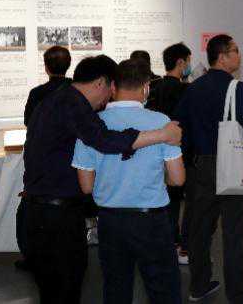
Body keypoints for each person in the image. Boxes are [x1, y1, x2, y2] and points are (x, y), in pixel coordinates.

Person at [23, 55, 182, 304]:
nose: (108, 98)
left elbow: (87, 184)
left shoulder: (58, 101)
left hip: (70, 215)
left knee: (107, 288)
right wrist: (162, 134)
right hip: (58, 218)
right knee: (162, 289)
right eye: (109, 89)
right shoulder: (74, 106)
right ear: (102, 83)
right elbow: (104, 140)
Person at [72, 59, 185, 304]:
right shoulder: (162, 122)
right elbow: (178, 179)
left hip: (110, 221)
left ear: (113, 87)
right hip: (152, 220)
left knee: (116, 290)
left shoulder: (92, 124)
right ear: (146, 87)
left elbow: (86, 186)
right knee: (164, 291)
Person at [173, 34, 243, 304]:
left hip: (200, 166)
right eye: (235, 50)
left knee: (200, 230)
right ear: (223, 57)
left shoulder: (193, 88)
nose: (239, 55)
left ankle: (199, 286)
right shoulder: (236, 89)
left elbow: (179, 126)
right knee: (235, 233)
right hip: (232, 165)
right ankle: (239, 294)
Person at [17, 45, 73, 270]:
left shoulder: (38, 93)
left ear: (46, 67)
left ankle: (34, 256)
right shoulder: (75, 91)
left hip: (41, 157)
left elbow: (28, 121)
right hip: (69, 157)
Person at [146, 41, 192, 264]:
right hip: (176, 151)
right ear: (181, 62)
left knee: (161, 200)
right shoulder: (184, 90)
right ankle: (175, 245)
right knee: (176, 200)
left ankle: (161, 243)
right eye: (188, 61)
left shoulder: (154, 87)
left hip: (153, 150)